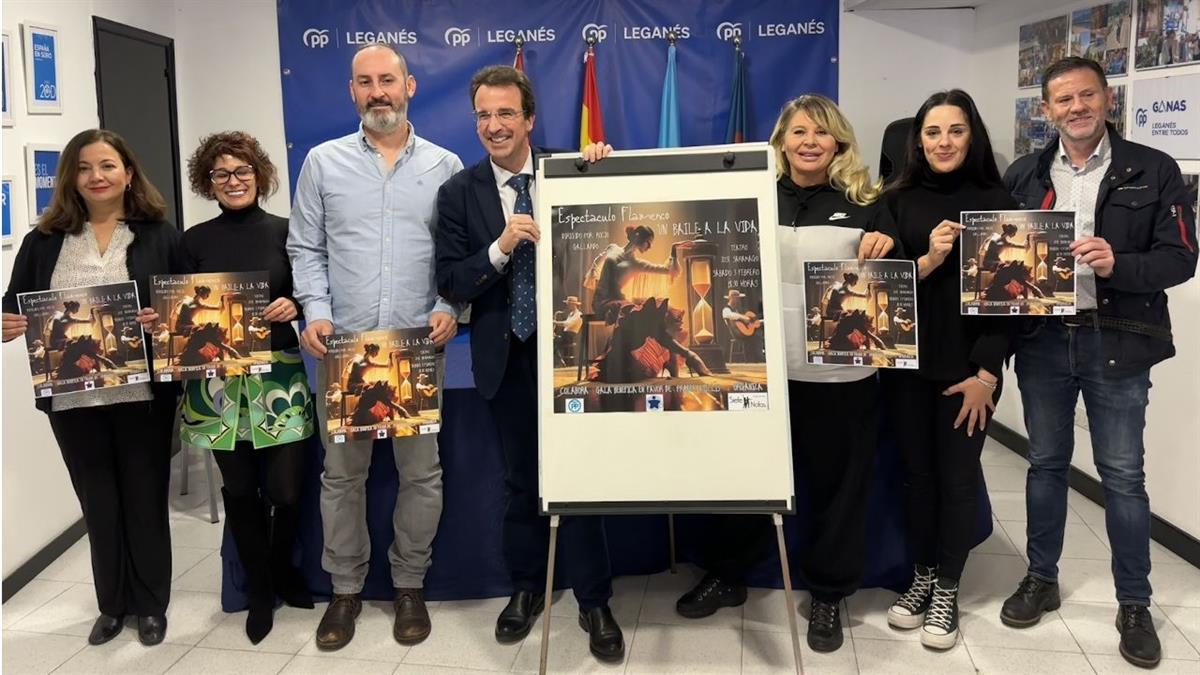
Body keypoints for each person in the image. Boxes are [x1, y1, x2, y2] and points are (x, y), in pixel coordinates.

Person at [673, 94, 900, 653]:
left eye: (820, 134)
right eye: (798, 132)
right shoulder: (752, 196)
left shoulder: (866, 203)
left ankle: (827, 593)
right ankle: (728, 575)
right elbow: (728, 272)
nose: (809, 143)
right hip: (761, 372)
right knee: (745, 478)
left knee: (835, 489)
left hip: (838, 379)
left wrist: (888, 248)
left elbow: (892, 285)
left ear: (839, 142)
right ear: (781, 142)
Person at [999, 57, 1197, 669]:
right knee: (1045, 464)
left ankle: (1133, 603)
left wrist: (1120, 265)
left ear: (1107, 99)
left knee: (1122, 479)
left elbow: (1182, 259)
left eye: (1087, 96)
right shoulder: (1025, 173)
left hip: (1118, 340)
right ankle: (1041, 578)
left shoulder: (1155, 169)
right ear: (1048, 109)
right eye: (1063, 100)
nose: (1076, 108)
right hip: (1043, 343)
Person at [434, 64, 624, 663]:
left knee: (584, 479)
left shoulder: (570, 170)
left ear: (530, 119)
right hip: (507, 357)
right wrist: (500, 246)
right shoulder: (458, 193)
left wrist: (604, 168)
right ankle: (526, 588)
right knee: (522, 482)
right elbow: (451, 280)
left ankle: (594, 600)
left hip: (576, 355)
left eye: (506, 114)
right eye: (484, 115)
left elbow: (617, 223)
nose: (494, 126)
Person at [287, 42, 462, 650]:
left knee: (421, 476)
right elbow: (304, 248)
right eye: (365, 82)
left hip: (417, 348)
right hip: (344, 351)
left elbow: (456, 254)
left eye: (388, 79)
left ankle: (409, 584)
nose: (377, 91)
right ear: (352, 92)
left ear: (410, 86)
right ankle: (344, 591)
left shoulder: (444, 165)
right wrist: (314, 310)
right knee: (342, 478)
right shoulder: (322, 162)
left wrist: (448, 307)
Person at [2, 128, 180, 646]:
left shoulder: (158, 235)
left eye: (106, 166)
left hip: (142, 395)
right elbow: (14, 302)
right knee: (98, 502)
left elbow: (180, 312)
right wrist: (8, 321)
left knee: (145, 499)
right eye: (84, 168)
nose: (96, 177)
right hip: (73, 397)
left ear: (128, 173)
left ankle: (151, 605)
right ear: (70, 178)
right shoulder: (42, 242)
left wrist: (160, 320)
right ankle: (112, 604)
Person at [879, 89, 1016, 650]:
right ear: (917, 140)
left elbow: (1015, 303)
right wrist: (930, 260)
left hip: (968, 375)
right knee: (917, 479)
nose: (943, 142)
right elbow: (879, 291)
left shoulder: (999, 198)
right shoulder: (895, 199)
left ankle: (948, 589)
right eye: (932, 132)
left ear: (972, 135)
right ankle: (922, 576)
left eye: (955, 130)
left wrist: (986, 374)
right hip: (908, 370)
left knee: (958, 482)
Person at [179, 131, 317, 644]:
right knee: (240, 490)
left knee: (284, 488)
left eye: (241, 172)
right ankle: (259, 589)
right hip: (215, 387)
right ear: (207, 181)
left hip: (279, 376)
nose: (232, 181)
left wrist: (297, 305)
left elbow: (311, 286)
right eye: (221, 174)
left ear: (259, 176)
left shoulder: (288, 230)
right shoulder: (191, 241)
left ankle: (283, 571)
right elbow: (179, 315)